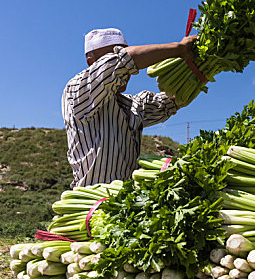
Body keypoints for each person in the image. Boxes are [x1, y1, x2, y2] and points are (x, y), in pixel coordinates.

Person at [62, 28, 196, 187]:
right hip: (92, 200)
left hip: (126, 202)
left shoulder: (131, 105)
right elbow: (124, 61)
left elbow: (169, 102)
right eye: (111, 56)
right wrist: (179, 49)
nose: (130, 72)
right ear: (92, 63)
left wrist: (202, 68)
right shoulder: (77, 91)